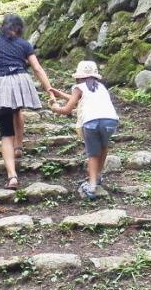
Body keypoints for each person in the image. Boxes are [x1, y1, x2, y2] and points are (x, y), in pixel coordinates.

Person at [0, 14, 55, 189]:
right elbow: (37, 68)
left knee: (5, 133)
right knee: (17, 109)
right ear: (19, 28)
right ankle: (18, 146)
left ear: (2, 26)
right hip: (20, 81)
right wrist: (49, 90)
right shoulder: (25, 44)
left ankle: (12, 176)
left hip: (1, 82)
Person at [50, 61, 119, 200]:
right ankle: (98, 176)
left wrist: (55, 108)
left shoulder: (78, 87)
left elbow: (67, 109)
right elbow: (82, 100)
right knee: (103, 147)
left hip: (91, 122)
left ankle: (92, 186)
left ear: (79, 77)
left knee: (93, 153)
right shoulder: (101, 87)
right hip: (110, 121)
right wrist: (61, 94)